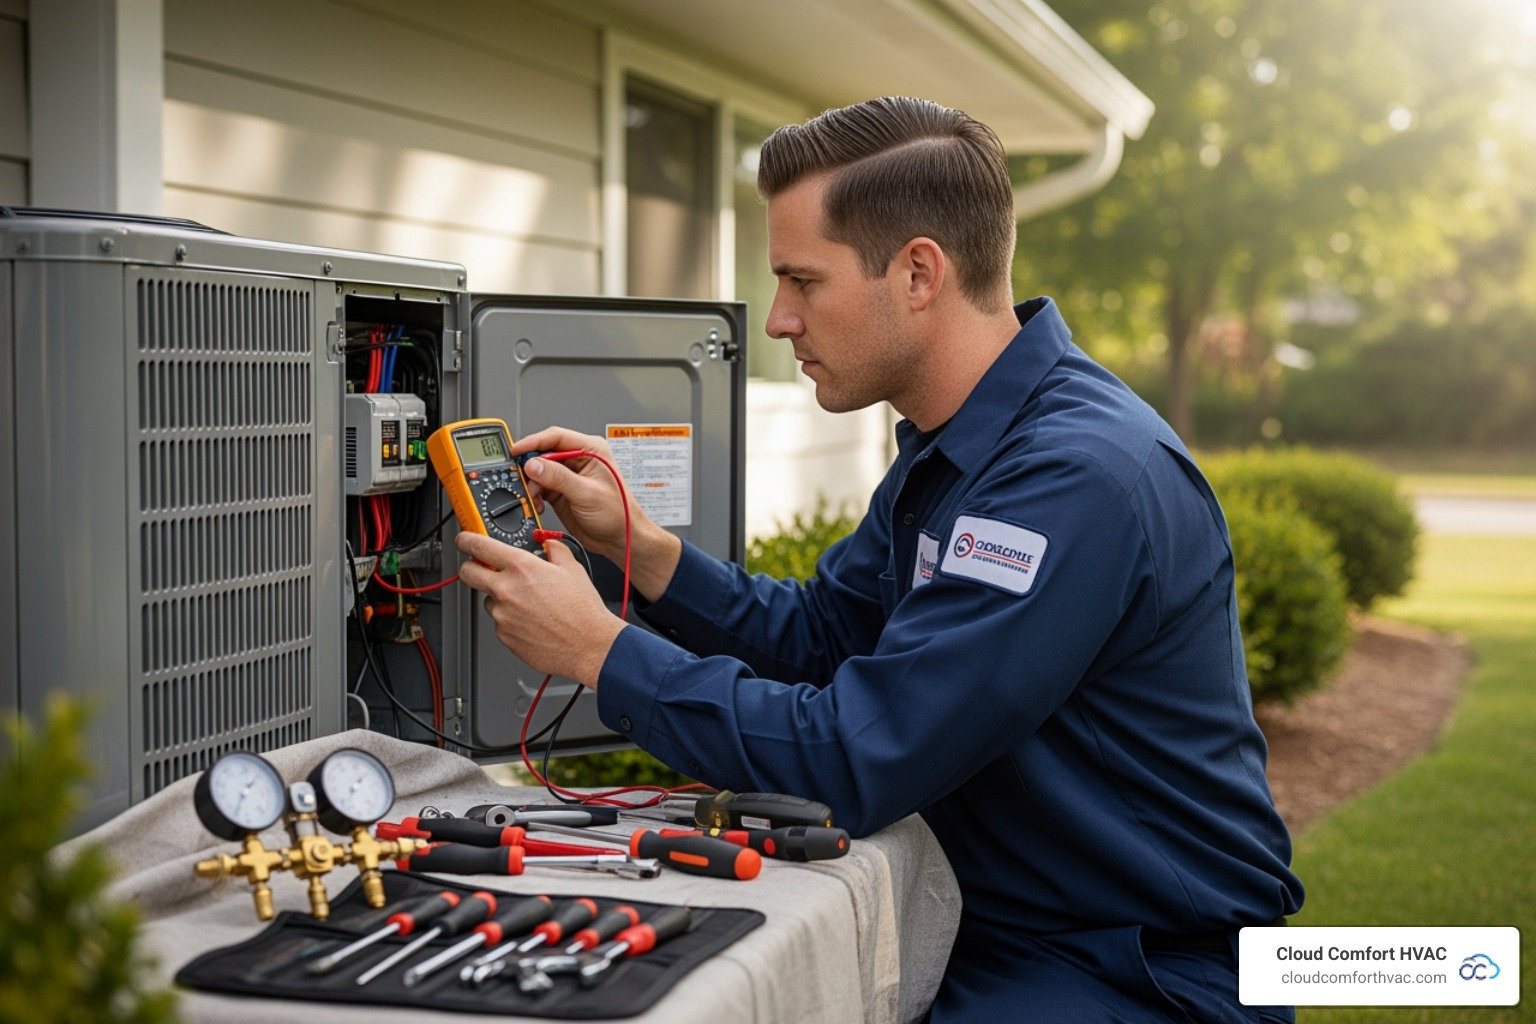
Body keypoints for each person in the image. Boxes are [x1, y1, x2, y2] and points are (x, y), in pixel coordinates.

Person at [456, 96, 1303, 1023]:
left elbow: (856, 755)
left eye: (802, 280)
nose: (777, 320)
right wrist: (643, 552)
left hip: (1139, 973)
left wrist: (600, 652)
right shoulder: (960, 444)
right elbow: (828, 635)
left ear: (917, 273)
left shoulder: (1074, 477)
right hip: (1007, 933)